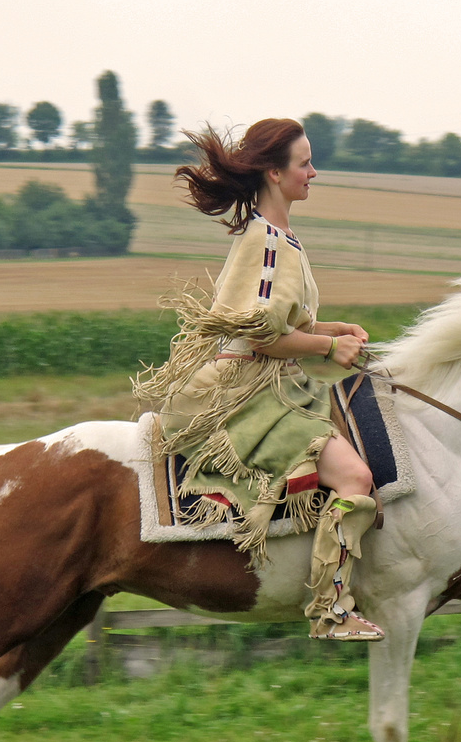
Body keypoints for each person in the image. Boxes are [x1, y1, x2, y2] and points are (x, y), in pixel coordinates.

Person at [134, 118, 384, 641]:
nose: (314, 172)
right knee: (357, 479)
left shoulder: (278, 238)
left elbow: (280, 323)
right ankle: (330, 609)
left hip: (273, 380)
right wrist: (328, 347)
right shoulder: (267, 244)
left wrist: (332, 329)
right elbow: (262, 337)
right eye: (304, 163)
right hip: (247, 390)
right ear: (274, 172)